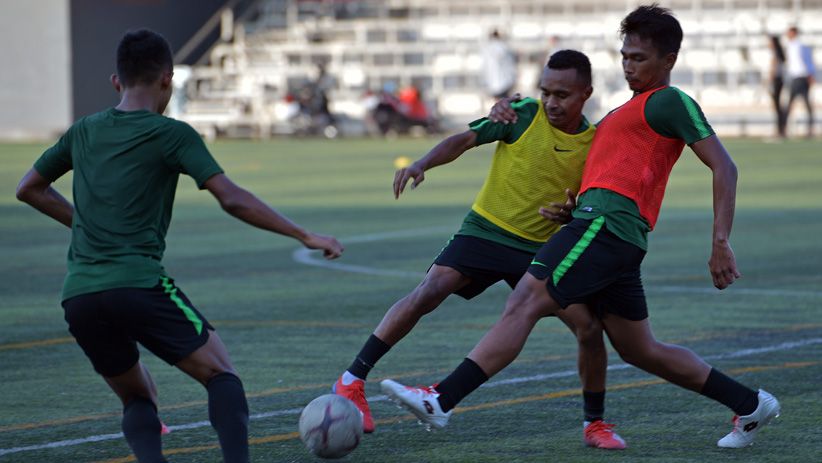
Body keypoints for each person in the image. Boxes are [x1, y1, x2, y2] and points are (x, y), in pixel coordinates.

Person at [381, 4, 780, 450]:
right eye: (624, 56)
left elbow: (725, 166)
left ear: (669, 60)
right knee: (640, 349)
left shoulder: (670, 101)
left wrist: (721, 240)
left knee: (526, 299)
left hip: (606, 227)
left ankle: (441, 399)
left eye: (639, 58)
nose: (628, 65)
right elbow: (617, 172)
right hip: (607, 231)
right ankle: (750, 403)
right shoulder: (626, 111)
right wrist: (571, 206)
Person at [15, 29, 344, 463]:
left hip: (79, 295)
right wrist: (304, 235)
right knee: (221, 374)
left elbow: (29, 188)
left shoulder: (82, 131)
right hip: (138, 283)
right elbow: (232, 198)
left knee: (138, 396)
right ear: (168, 80)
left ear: (116, 81)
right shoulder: (171, 134)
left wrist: (87, 226)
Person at [334, 50, 627, 449]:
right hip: (486, 230)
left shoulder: (594, 144)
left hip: (539, 249)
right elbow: (466, 139)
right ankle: (352, 379)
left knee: (589, 328)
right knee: (430, 290)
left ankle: (594, 424)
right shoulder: (522, 114)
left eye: (562, 94)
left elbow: (586, 203)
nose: (551, 102)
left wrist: (569, 213)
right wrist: (423, 163)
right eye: (546, 92)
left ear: (586, 94)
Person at [783, 26, 816, 138]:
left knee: (805, 103)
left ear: (794, 33)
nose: (787, 35)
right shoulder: (789, 46)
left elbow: (807, 61)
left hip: (801, 76)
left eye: (789, 33)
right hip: (795, 77)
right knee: (790, 104)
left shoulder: (800, 46)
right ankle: (785, 128)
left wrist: (810, 74)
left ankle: (809, 129)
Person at [481, 29, 518, 101]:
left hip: (494, 83)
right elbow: (511, 65)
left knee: (498, 102)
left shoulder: (487, 49)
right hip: (505, 82)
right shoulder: (505, 48)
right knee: (504, 102)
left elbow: (485, 68)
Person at [767, 35, 786, 138]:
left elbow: (773, 70)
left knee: (777, 107)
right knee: (778, 106)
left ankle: (779, 130)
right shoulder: (780, 54)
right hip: (780, 81)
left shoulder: (775, 54)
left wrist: (769, 82)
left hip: (776, 81)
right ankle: (781, 129)